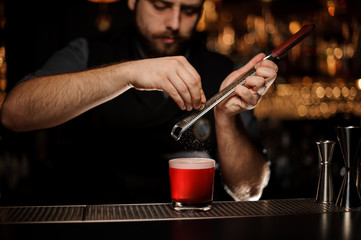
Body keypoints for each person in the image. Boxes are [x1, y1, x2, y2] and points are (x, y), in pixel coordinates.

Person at [0, 0, 277, 204]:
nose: (174, 22)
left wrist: (225, 116)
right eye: (161, 5)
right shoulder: (89, 53)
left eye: (189, 10)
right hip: (96, 226)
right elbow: (13, 114)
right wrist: (128, 73)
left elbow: (249, 190)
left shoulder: (222, 72)